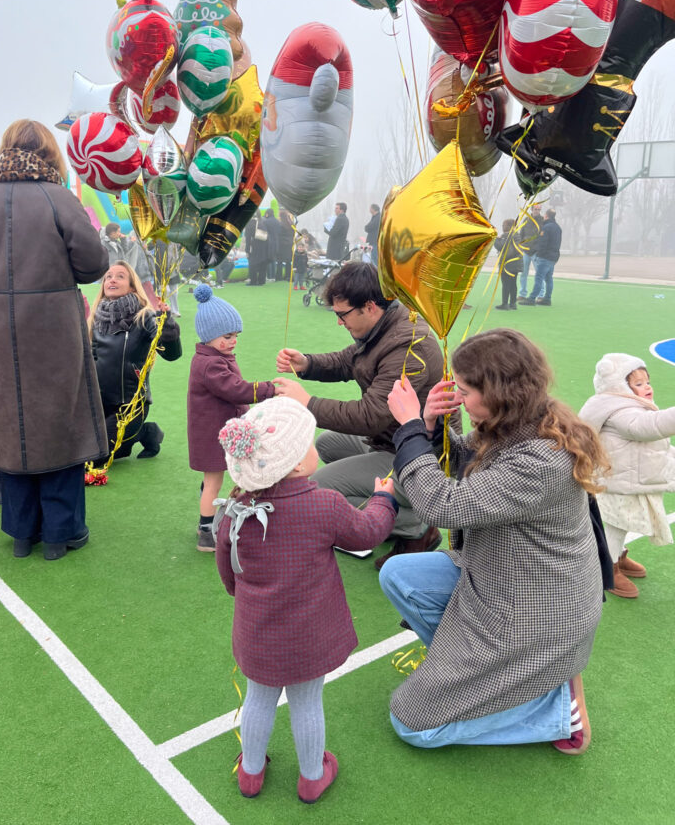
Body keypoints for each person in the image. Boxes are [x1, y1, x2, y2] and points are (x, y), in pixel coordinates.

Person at [380, 328, 606, 754]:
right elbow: (459, 457)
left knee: (413, 724)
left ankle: (553, 710)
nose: (461, 399)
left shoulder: (543, 459)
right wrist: (429, 423)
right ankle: (481, 680)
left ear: (500, 392)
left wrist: (409, 426)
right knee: (399, 574)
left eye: (466, 391)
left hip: (536, 612)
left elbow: (442, 505)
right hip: (500, 580)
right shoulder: (517, 421)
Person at [214, 397, 398, 802]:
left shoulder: (235, 510)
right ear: (297, 464)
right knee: (307, 702)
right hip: (309, 634)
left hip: (257, 630)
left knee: (260, 697)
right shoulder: (324, 505)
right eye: (310, 444)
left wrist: (245, 597)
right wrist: (384, 499)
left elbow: (228, 573)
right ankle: (312, 776)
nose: (317, 448)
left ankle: (251, 771)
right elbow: (367, 532)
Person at [0, 119, 109, 560]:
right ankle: (63, 532)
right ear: (48, 152)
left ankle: (22, 532)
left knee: (11, 422)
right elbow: (93, 263)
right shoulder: (58, 197)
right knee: (61, 422)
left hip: (1, 327)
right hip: (54, 328)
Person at [274, 262, 450, 568]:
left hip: (420, 456)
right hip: (390, 440)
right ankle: (398, 509)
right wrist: (307, 364)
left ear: (369, 307)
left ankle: (417, 526)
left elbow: (371, 415)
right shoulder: (386, 324)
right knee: (328, 444)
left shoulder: (409, 344)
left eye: (342, 315)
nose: (340, 322)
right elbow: (350, 361)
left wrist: (308, 403)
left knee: (319, 485)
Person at [187, 284, 275, 552]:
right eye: (227, 335)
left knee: (214, 480)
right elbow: (236, 390)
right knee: (214, 480)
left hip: (218, 430)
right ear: (209, 336)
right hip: (213, 434)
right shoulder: (211, 363)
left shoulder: (216, 357)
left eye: (236, 335)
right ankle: (206, 529)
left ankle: (213, 519)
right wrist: (269, 389)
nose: (233, 340)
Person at [579, 353, 675, 599]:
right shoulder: (618, 410)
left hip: (627, 480)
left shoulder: (628, 405)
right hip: (616, 484)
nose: (647, 387)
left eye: (647, 381)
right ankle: (607, 570)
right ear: (619, 386)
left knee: (622, 523)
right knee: (616, 525)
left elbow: (653, 442)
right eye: (638, 383)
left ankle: (618, 557)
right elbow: (648, 427)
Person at [90, 261, 182, 460]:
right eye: (108, 276)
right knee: (79, 449)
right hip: (99, 404)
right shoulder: (95, 319)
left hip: (131, 405)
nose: (112, 279)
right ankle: (144, 433)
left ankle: (138, 430)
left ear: (132, 286)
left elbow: (171, 354)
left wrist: (167, 325)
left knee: (96, 456)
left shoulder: (144, 317)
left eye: (120, 276)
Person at [521, 209, 562, 307]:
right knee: (548, 279)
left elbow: (543, 243)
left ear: (546, 216)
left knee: (539, 278)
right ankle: (547, 299)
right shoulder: (558, 228)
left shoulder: (546, 228)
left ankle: (531, 298)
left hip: (545, 257)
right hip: (553, 257)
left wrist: (539, 254)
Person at [517, 203, 544, 302]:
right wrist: (521, 246)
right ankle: (522, 294)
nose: (537, 211)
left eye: (539, 210)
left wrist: (539, 248)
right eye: (536, 209)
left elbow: (543, 236)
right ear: (531, 210)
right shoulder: (526, 220)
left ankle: (541, 295)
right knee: (523, 274)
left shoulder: (543, 221)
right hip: (526, 251)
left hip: (536, 252)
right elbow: (521, 234)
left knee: (539, 274)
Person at [493, 218, 520, 311]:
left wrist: (496, 239)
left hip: (507, 263)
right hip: (516, 263)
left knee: (506, 284)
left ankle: (505, 304)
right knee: (513, 283)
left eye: (503, 225)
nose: (503, 227)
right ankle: (513, 303)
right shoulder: (517, 235)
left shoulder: (508, 236)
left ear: (508, 226)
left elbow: (501, 247)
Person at [244, 212, 269, 286]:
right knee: (262, 263)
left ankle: (253, 281)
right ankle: (262, 280)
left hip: (254, 246)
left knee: (252, 264)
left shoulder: (250, 223)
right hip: (263, 245)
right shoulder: (263, 222)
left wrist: (247, 250)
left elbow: (248, 238)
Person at [277, 209, 296, 281]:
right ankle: (288, 276)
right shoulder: (291, 224)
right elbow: (294, 233)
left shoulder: (280, 224)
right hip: (289, 244)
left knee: (279, 261)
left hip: (281, 244)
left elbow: (278, 234)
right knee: (288, 261)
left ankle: (279, 276)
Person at [264, 208, 280, 280]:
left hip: (268, 242)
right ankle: (273, 276)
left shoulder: (266, 221)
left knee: (268, 259)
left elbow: (264, 232)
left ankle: (269, 276)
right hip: (276, 242)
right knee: (274, 259)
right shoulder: (277, 221)